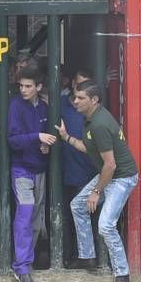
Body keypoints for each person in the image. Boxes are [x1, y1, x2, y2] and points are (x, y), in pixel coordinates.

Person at [56, 82, 139, 282]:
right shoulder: (91, 119)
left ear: (94, 100)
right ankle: (88, 257)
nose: (75, 101)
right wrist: (66, 138)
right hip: (109, 174)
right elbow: (89, 148)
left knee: (105, 225)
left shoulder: (99, 123)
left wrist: (96, 192)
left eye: (81, 98)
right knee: (77, 206)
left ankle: (122, 273)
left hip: (122, 177)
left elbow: (110, 165)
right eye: (75, 97)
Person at [7, 66, 57, 282]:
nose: (24, 90)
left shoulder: (45, 108)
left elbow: (45, 140)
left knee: (36, 219)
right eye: (21, 86)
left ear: (39, 87)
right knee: (25, 213)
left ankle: (25, 262)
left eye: (28, 86)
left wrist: (44, 146)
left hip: (39, 168)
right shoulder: (16, 105)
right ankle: (22, 266)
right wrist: (38, 137)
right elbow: (13, 140)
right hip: (22, 169)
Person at [60, 70, 98, 264]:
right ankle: (69, 257)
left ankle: (87, 258)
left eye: (86, 86)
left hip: (88, 172)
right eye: (78, 85)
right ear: (72, 85)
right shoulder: (61, 106)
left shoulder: (96, 113)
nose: (80, 92)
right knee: (66, 217)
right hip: (66, 170)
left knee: (88, 217)